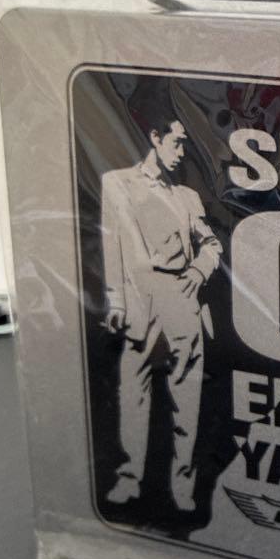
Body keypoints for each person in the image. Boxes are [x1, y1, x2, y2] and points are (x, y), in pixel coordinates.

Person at [100, 87, 222, 511]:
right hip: (139, 297)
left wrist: (198, 270)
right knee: (132, 394)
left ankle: (183, 486)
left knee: (186, 397)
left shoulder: (187, 196)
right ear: (155, 137)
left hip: (181, 298)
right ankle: (129, 479)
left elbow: (212, 244)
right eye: (177, 142)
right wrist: (116, 302)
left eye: (186, 144)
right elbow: (112, 244)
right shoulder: (117, 183)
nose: (182, 152)